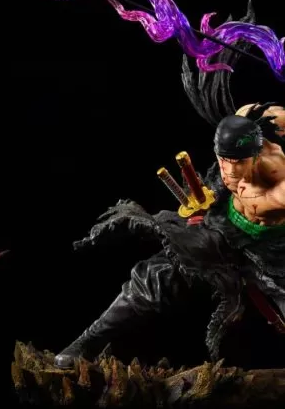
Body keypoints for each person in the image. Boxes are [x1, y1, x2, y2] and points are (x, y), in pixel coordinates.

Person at [54, 102, 285, 368]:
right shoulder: (250, 121)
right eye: (224, 161)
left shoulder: (279, 187)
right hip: (224, 225)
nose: (230, 171)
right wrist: (212, 196)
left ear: (255, 156)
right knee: (156, 274)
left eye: (239, 163)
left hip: (270, 249)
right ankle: (88, 342)